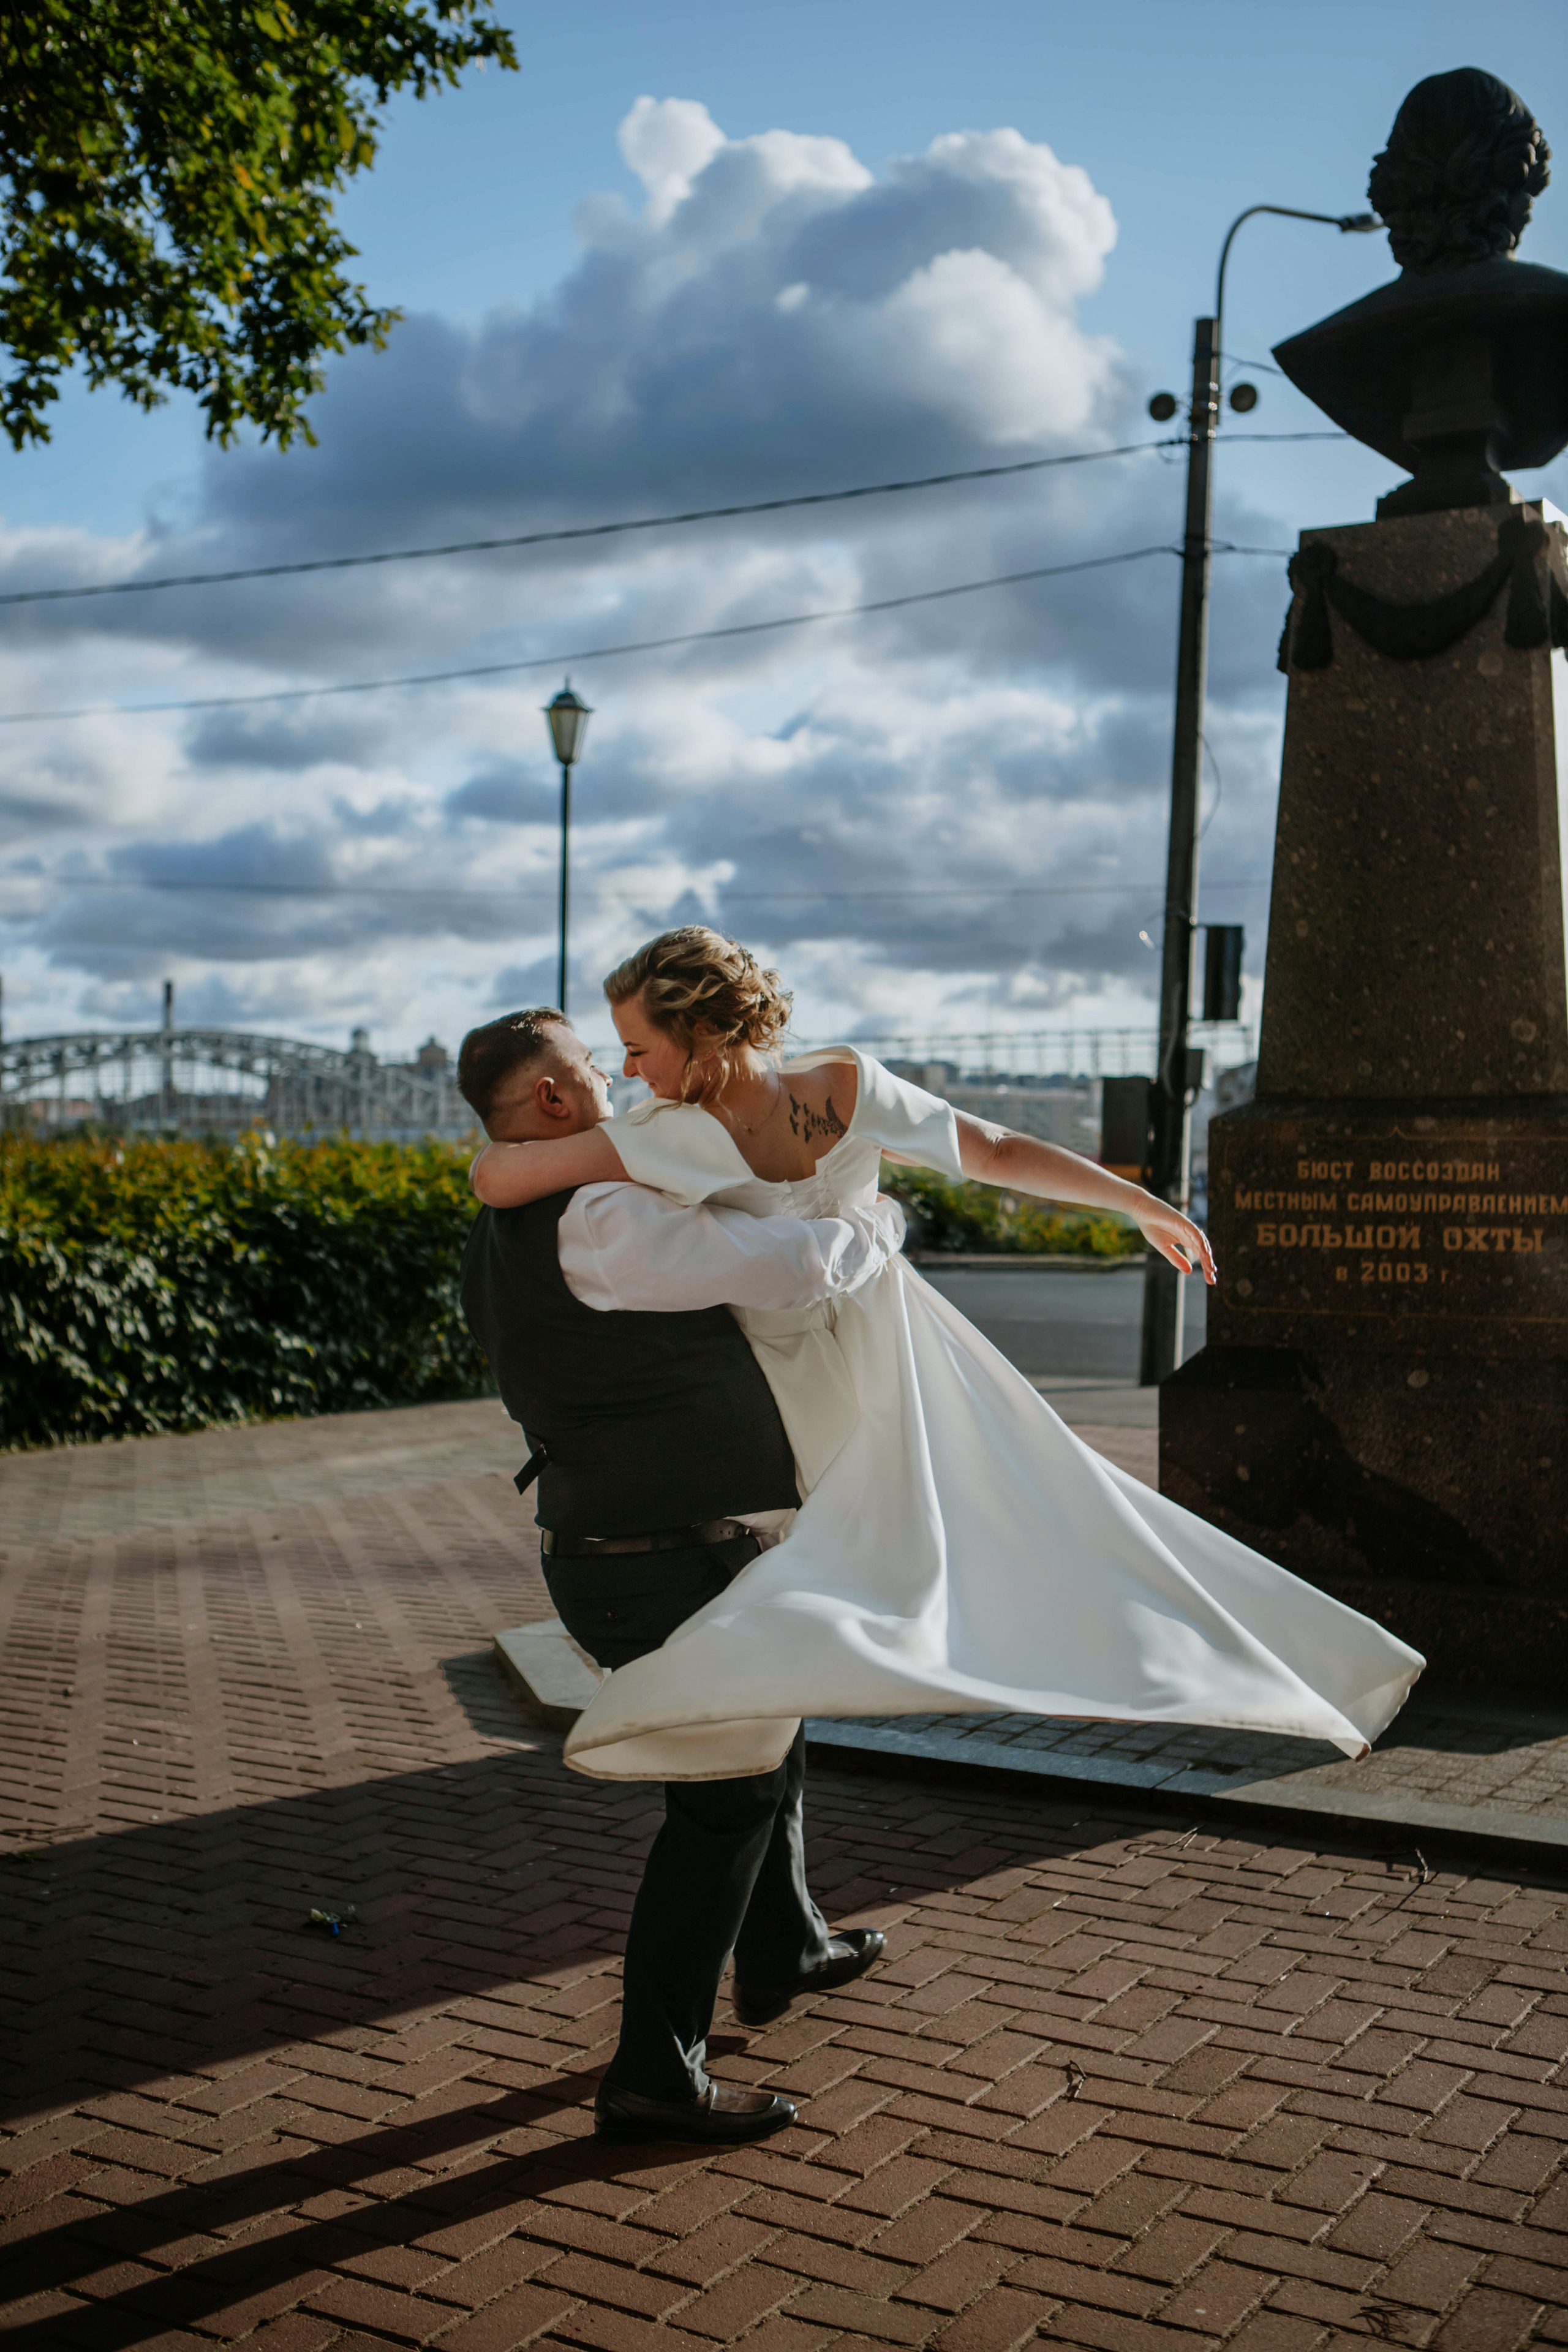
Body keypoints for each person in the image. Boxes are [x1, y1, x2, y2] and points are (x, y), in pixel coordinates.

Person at [470, 930, 1425, 1786]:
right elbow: (996, 1150)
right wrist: (1130, 1208)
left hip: (836, 1368)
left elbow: (499, 1172)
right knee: (964, 1530)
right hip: (849, 1362)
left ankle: (1270, 1665)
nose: (630, 1071)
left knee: (1008, 1517)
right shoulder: (799, 1099)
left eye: (638, 1048)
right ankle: (746, 1741)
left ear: (704, 1035)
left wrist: (1141, 1203)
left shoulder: (675, 1131)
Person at [457, 1006, 906, 2147]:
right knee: (722, 1806)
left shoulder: (521, 1211)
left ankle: (785, 1942)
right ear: (554, 1100)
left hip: (648, 1547)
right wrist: (880, 1221)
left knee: (771, 1720)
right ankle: (656, 2070)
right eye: (590, 1066)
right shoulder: (601, 1216)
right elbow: (795, 1268)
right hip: (644, 1563)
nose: (613, 1078)